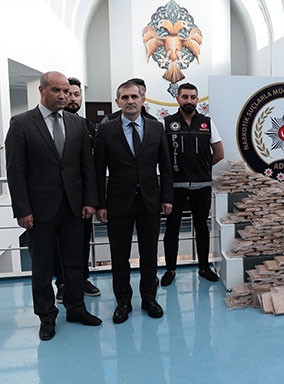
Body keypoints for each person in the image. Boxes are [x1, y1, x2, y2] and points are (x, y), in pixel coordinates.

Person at [5, 71, 102, 340]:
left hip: (73, 207)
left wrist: (90, 201)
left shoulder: (77, 124)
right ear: (42, 90)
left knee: (75, 263)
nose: (63, 96)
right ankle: (47, 317)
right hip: (38, 211)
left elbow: (86, 166)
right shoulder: (21, 124)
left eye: (66, 91)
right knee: (42, 267)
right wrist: (22, 210)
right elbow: (15, 170)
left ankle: (76, 309)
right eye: (56, 90)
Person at [94, 80, 173, 324]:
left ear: (142, 100)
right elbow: (98, 171)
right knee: (119, 256)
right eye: (125, 97)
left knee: (149, 255)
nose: (130, 101)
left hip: (150, 201)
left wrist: (167, 197)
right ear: (117, 102)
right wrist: (100, 204)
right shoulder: (106, 130)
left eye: (134, 97)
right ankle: (123, 302)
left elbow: (166, 167)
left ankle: (149, 298)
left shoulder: (156, 128)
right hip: (117, 203)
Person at [160, 83, 224, 286]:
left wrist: (202, 167)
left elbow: (219, 153)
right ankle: (170, 269)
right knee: (172, 228)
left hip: (201, 185)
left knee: (201, 227)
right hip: (175, 187)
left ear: (197, 100)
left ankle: (204, 267)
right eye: (185, 97)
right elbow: (161, 155)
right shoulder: (166, 123)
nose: (189, 101)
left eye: (193, 97)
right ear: (177, 98)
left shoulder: (207, 123)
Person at [52, 76, 100, 303]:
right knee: (57, 244)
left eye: (76, 94)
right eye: (68, 93)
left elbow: (91, 166)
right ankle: (62, 283)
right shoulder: (48, 125)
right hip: (54, 197)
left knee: (82, 240)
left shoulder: (87, 127)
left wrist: (92, 199)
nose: (72, 98)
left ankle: (82, 279)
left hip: (81, 197)